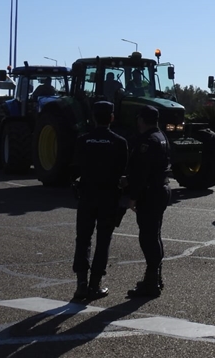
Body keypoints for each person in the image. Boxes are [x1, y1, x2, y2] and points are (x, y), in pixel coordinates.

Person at [71, 101, 129, 301]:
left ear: (93, 117)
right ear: (111, 117)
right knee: (103, 240)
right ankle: (95, 284)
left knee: (83, 239)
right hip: (109, 196)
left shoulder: (83, 140)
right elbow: (124, 172)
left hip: (87, 195)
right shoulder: (119, 142)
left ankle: (80, 284)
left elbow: (75, 167)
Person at [126, 105, 171, 297]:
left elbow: (142, 172)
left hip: (150, 192)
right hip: (160, 189)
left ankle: (151, 282)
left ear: (142, 120)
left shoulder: (148, 141)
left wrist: (132, 196)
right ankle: (155, 278)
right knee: (155, 235)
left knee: (148, 238)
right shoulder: (162, 137)